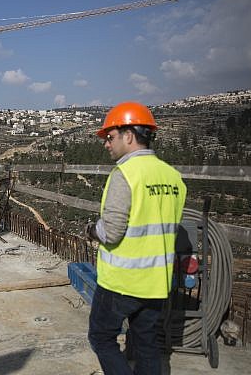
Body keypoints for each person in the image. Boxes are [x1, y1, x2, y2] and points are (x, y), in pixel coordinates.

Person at [85, 101, 187, 374]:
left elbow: (113, 230)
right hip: (156, 282)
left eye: (110, 137)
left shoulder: (125, 175)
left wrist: (93, 230)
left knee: (101, 338)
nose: (106, 143)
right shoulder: (173, 177)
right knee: (147, 344)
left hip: (121, 281)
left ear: (128, 135)